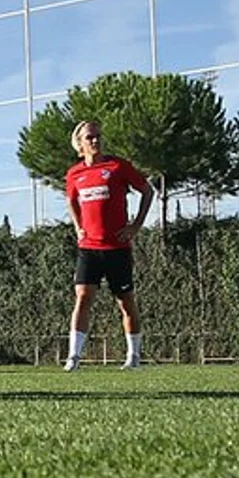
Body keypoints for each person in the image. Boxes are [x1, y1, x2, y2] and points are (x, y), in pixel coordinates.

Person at [62, 120, 154, 371]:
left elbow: (148, 191)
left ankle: (134, 357)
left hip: (117, 248)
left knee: (125, 301)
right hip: (89, 248)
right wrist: (77, 226)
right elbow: (71, 201)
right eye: (89, 137)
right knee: (82, 297)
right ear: (79, 144)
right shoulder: (74, 174)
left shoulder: (118, 166)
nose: (95, 141)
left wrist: (135, 225)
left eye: (98, 136)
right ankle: (74, 358)